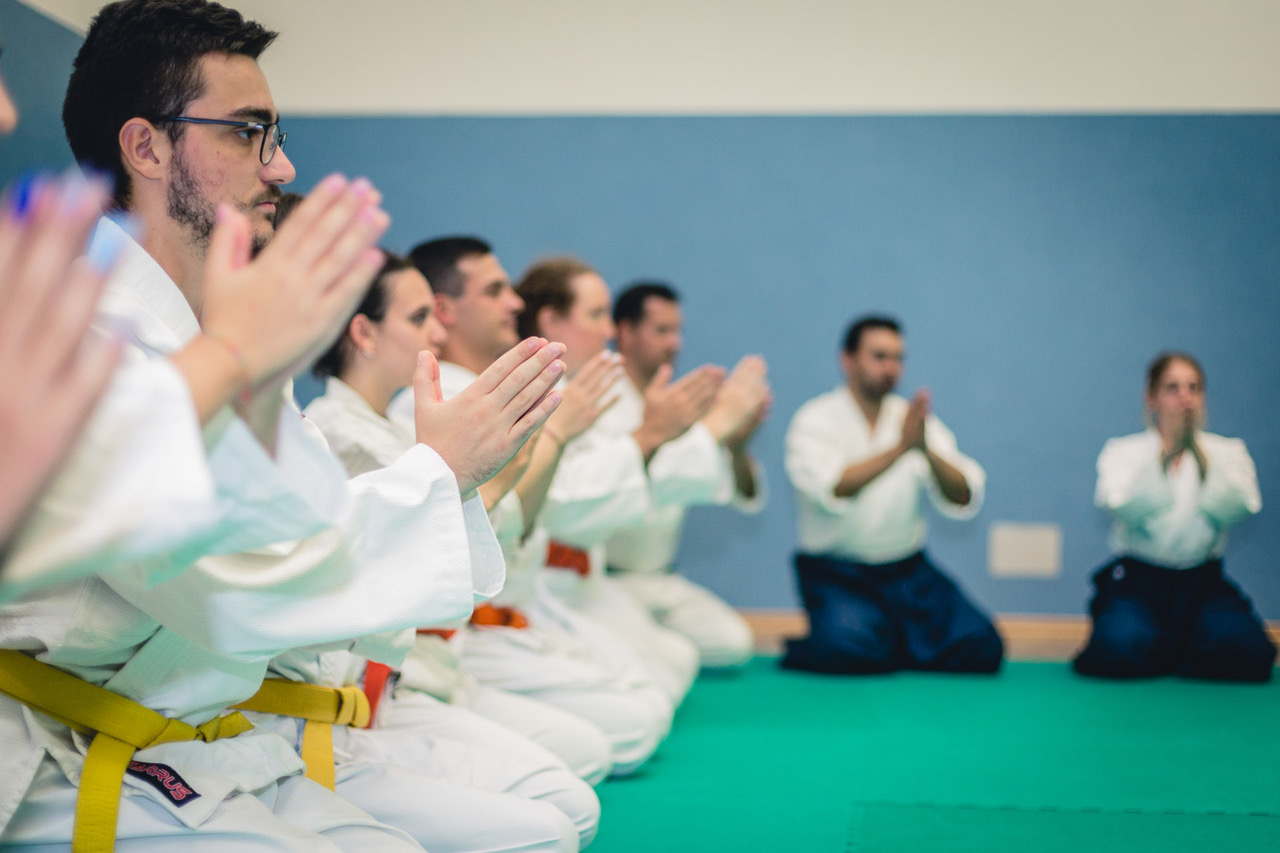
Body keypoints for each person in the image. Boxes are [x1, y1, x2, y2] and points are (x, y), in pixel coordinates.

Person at [0, 2, 562, 849]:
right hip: (65, 752)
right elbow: (237, 584)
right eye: (247, 133)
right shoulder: (84, 330)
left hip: (197, 738)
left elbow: (296, 530)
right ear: (146, 147)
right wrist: (438, 471)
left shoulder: (200, 335)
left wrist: (449, 471)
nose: (281, 166)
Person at [300, 247, 598, 849]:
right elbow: (408, 571)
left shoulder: (372, 426)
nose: (437, 330)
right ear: (362, 331)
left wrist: (515, 449)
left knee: (575, 795)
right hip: (331, 708)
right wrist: (477, 463)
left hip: (392, 686)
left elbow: (477, 536)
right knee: (559, 815)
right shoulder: (333, 431)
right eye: (417, 318)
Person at [389, 238, 674, 777]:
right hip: (459, 633)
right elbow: (476, 526)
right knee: (628, 724)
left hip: (523, 602)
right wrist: (593, 437)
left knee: (651, 694)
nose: (513, 303)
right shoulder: (433, 401)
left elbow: (516, 518)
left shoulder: (491, 388)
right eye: (495, 290)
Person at [516, 256, 742, 705]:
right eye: (597, 315)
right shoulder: (535, 395)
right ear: (551, 320)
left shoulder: (585, 390)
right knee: (647, 698)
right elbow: (561, 504)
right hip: (544, 585)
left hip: (592, 577)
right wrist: (699, 430)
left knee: (684, 659)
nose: (607, 331)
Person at [782, 314, 1002, 674]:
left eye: (898, 358)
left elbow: (963, 495)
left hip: (908, 572)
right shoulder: (815, 419)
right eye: (879, 356)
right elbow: (834, 486)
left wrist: (925, 450)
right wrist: (900, 449)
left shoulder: (913, 421)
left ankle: (889, 637)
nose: (891, 367)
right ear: (848, 360)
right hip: (839, 573)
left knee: (982, 645)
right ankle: (869, 638)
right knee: (849, 649)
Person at [1073, 351, 1275, 682]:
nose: (1185, 397)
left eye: (1194, 387)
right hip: (1138, 582)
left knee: (1244, 649)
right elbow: (1119, 505)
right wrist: (1168, 455)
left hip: (1203, 583)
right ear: (1151, 397)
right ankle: (1175, 645)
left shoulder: (1227, 451)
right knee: (1118, 647)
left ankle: (1178, 644)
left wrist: (1197, 454)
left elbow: (1241, 505)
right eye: (1173, 387)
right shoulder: (1123, 451)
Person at [604, 281, 770, 669]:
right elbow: (629, 475)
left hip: (663, 579)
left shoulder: (680, 403)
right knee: (667, 657)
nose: (675, 343)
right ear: (625, 332)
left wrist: (736, 443)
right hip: (608, 580)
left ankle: (648, 646)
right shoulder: (598, 399)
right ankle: (647, 648)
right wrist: (718, 423)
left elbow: (740, 494)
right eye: (662, 331)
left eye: (678, 332)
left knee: (734, 644)